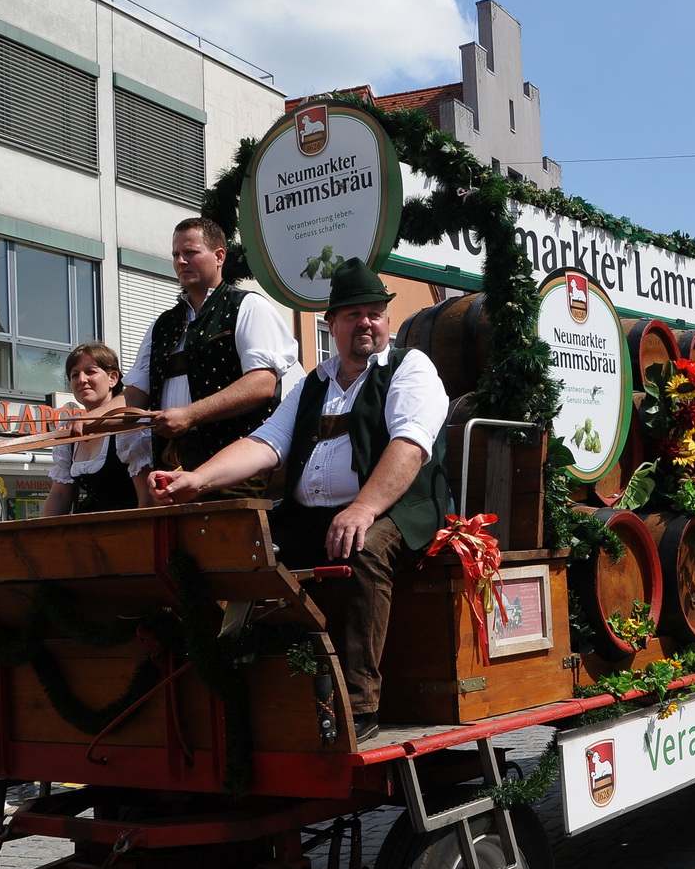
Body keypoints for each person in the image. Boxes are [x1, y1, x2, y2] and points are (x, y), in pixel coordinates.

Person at [148, 259, 451, 745]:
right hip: (313, 517)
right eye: (353, 315)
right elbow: (266, 442)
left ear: (387, 319)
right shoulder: (313, 382)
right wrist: (197, 480)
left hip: (397, 509)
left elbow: (409, 446)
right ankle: (243, 680)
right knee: (245, 550)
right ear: (332, 324)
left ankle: (359, 705)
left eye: (375, 313)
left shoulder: (409, 367)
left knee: (361, 548)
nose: (366, 322)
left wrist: (363, 508)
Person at [124, 218, 300, 497]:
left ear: (219, 256)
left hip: (236, 467)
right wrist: (89, 420)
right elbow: (135, 394)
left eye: (190, 252)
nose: (181, 261)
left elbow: (261, 384)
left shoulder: (248, 306)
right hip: (172, 464)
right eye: (176, 255)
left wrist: (189, 415)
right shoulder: (163, 324)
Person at [42, 343, 155, 516]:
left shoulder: (130, 426)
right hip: (90, 526)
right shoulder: (70, 430)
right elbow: (60, 494)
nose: (81, 379)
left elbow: (148, 500)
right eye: (74, 375)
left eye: (90, 371)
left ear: (113, 378)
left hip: (129, 524)